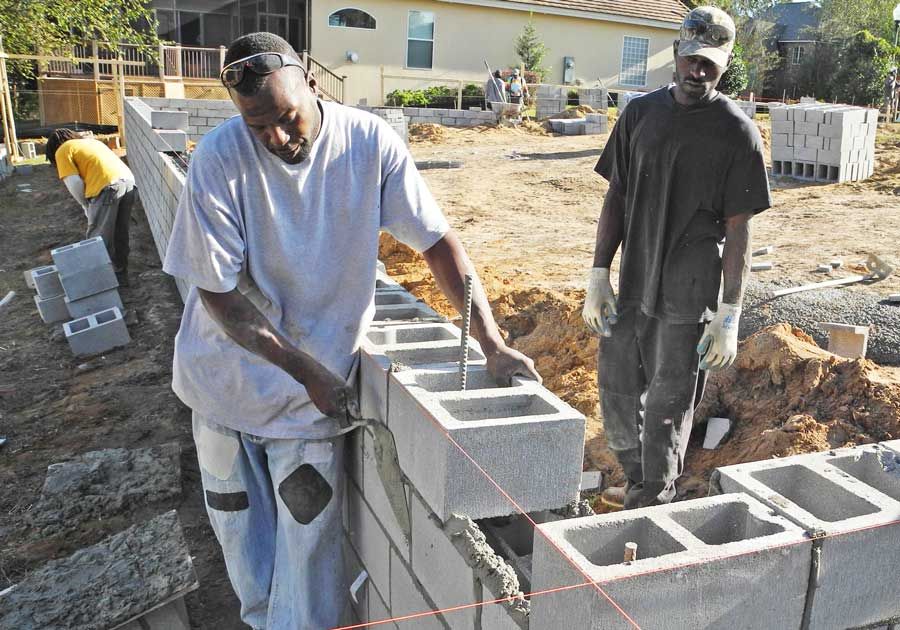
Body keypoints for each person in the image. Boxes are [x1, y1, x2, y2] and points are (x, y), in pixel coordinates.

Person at [162, 32, 540, 629]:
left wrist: (489, 341)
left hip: (303, 411)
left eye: (286, 118)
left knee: (309, 563)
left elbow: (438, 244)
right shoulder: (220, 157)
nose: (276, 138)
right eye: (258, 126)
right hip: (222, 390)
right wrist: (307, 368)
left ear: (312, 82)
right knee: (243, 548)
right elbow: (216, 294)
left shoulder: (367, 145)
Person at [582, 6, 770, 511]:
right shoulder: (640, 115)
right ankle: (637, 479)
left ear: (724, 64)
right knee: (617, 394)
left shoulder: (736, 132)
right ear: (677, 54)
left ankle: (652, 501)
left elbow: (739, 232)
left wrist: (729, 313)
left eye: (710, 64)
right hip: (634, 279)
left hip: (689, 294)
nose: (698, 72)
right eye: (692, 60)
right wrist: (599, 272)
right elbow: (616, 197)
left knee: (667, 407)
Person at [45, 128, 136, 277]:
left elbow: (73, 182)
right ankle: (120, 276)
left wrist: (86, 205)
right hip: (129, 183)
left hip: (107, 188)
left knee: (97, 240)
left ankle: (98, 284)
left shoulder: (62, 150)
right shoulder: (92, 143)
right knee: (120, 234)